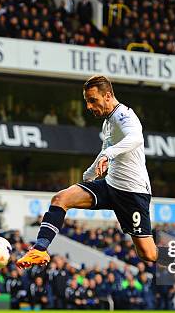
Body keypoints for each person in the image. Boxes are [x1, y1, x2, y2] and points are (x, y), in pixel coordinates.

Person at [16, 75, 157, 268]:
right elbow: (104, 150)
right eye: (87, 101)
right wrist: (90, 174)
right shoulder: (107, 121)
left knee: (148, 254)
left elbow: (136, 139)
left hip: (132, 192)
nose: (89, 106)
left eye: (93, 100)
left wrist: (108, 155)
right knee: (61, 199)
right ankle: (39, 250)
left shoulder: (124, 115)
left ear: (108, 96)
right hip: (109, 186)